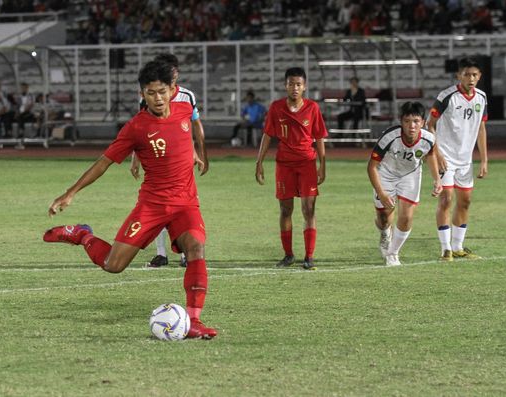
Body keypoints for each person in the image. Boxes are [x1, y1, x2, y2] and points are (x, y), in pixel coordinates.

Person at [43, 61, 217, 339]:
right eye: (150, 93)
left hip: (186, 203)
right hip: (153, 205)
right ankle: (82, 235)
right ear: (142, 94)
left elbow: (185, 136)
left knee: (196, 248)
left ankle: (194, 321)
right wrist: (71, 192)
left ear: (173, 90)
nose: (157, 99)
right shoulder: (136, 127)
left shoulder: (184, 110)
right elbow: (104, 162)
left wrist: (193, 153)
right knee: (114, 265)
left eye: (161, 92)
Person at [131, 53, 208, 268]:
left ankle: (185, 253)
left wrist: (199, 152)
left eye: (172, 73)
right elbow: (141, 131)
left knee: (184, 206)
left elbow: (193, 127)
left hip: (181, 162)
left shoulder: (186, 96)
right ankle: (161, 253)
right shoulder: (148, 98)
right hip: (158, 160)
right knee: (160, 206)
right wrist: (135, 160)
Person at [255, 67, 327, 270]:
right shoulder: (276, 108)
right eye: (291, 84)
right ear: (285, 85)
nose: (294, 88)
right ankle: (288, 255)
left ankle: (309, 256)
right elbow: (267, 135)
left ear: (304, 87)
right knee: (285, 209)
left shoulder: (312, 108)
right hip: (284, 165)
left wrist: (323, 165)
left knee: (308, 209)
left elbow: (319, 137)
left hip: (307, 164)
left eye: (298, 84)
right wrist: (259, 162)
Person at [427, 57, 488, 262]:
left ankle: (458, 247)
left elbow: (481, 128)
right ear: (458, 75)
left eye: (475, 75)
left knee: (466, 201)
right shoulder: (447, 96)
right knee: (446, 199)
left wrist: (484, 160)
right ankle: (446, 249)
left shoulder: (481, 97)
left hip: (465, 161)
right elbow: (430, 125)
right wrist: (438, 153)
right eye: (467, 74)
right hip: (446, 158)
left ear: (479, 76)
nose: (471, 78)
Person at [368, 102, 442, 266]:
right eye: (407, 121)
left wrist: (437, 179)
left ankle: (393, 254)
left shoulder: (428, 139)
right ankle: (385, 233)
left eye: (416, 121)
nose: (412, 126)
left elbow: (430, 155)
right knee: (383, 217)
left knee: (407, 216)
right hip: (386, 174)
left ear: (423, 122)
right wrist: (381, 193)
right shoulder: (389, 137)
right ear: (401, 121)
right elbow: (371, 166)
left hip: (410, 174)